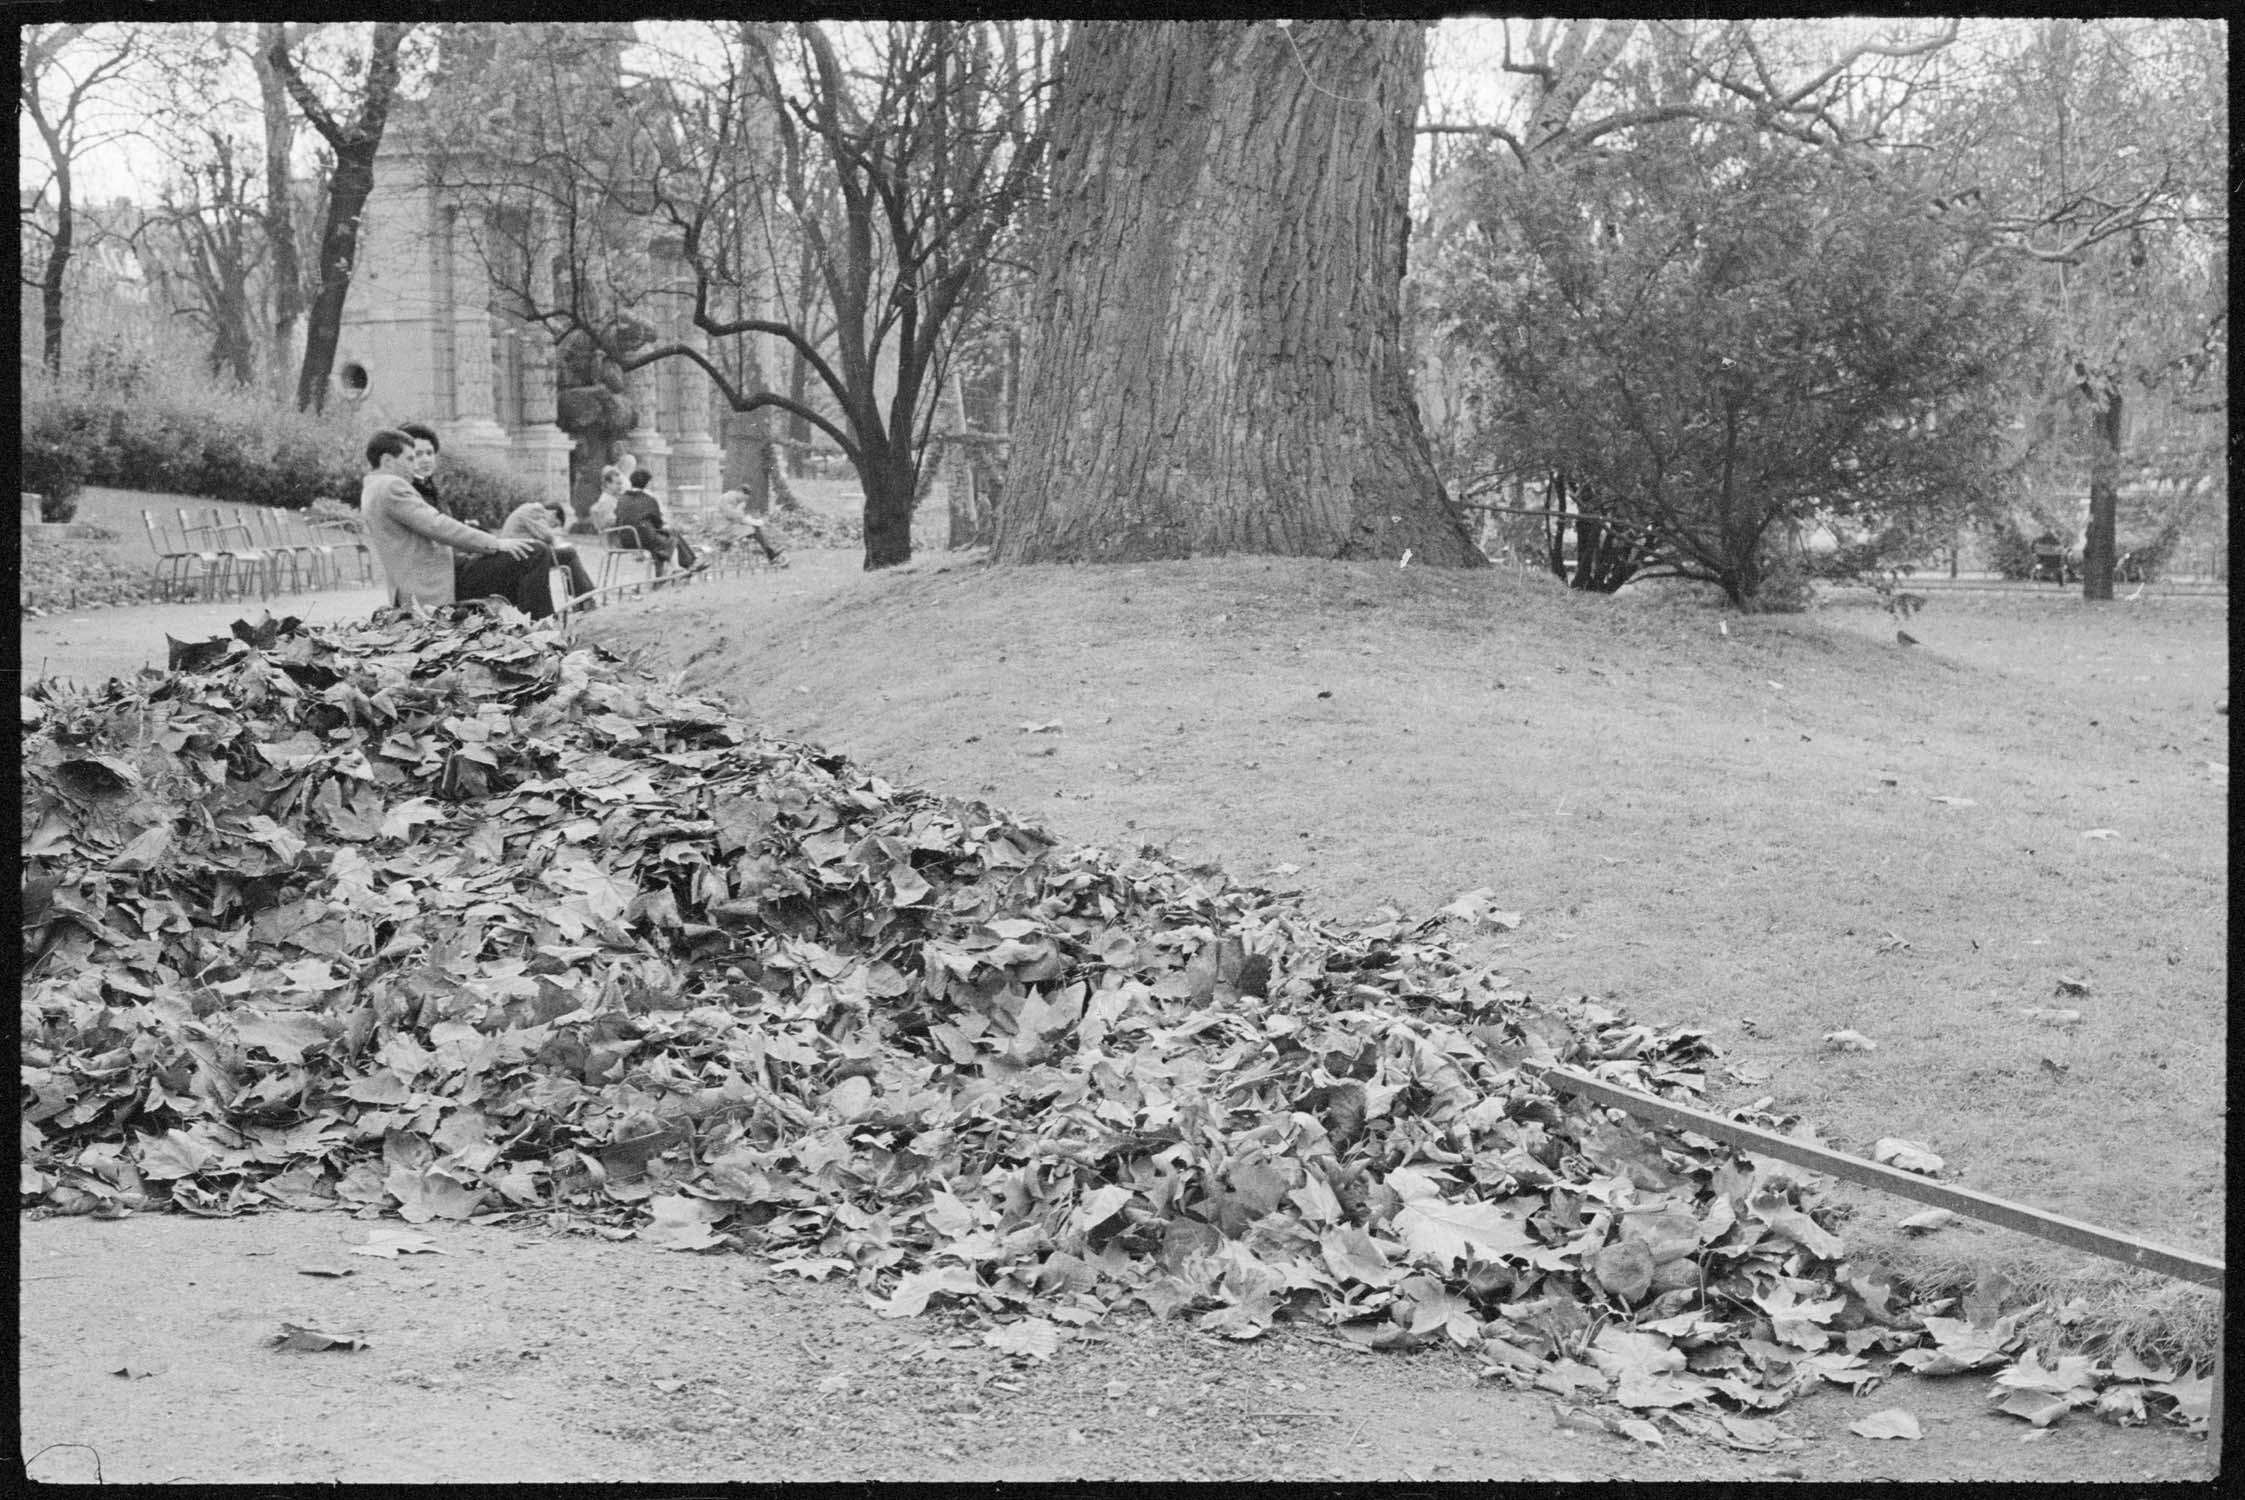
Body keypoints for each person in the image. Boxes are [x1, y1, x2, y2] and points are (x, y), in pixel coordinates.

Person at [359, 428, 559, 618]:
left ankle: (524, 626)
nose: (415, 465)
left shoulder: (372, 488)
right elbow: (437, 525)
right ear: (386, 461)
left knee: (517, 561)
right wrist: (495, 543)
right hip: (439, 582)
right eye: (410, 459)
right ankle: (543, 629)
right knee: (535, 553)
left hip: (431, 578)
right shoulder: (391, 486)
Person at [501, 495, 599, 607]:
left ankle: (583, 596)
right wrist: (558, 543)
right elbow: (546, 536)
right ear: (553, 514)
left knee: (566, 553)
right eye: (555, 524)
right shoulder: (535, 510)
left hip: (519, 553)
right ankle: (585, 597)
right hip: (522, 556)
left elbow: (541, 537)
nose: (551, 527)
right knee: (570, 553)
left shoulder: (528, 510)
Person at [612, 467, 700, 576]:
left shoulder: (622, 499)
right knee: (670, 540)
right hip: (644, 538)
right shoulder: (648, 499)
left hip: (625, 538)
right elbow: (658, 522)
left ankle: (690, 564)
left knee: (671, 533)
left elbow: (618, 517)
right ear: (647, 484)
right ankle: (681, 567)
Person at [718, 487, 789, 567]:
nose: (744, 500)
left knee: (755, 528)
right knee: (753, 529)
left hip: (733, 525)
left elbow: (739, 516)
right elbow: (732, 515)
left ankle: (770, 552)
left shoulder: (736, 500)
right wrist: (748, 519)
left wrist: (751, 520)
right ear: (740, 492)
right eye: (744, 498)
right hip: (725, 527)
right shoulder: (728, 498)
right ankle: (770, 553)